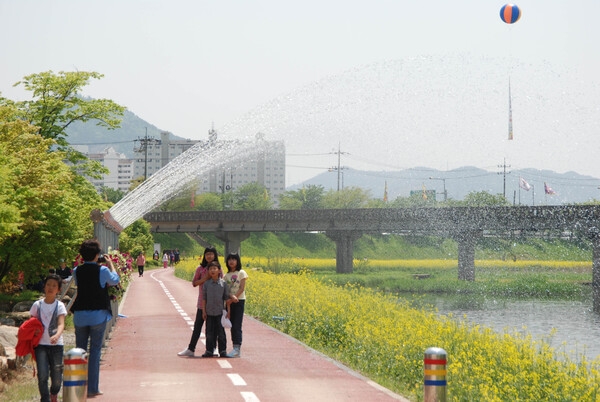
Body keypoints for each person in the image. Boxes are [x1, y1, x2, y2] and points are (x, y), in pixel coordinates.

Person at [71, 239, 120, 398]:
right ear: (97, 254)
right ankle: (93, 388)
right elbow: (115, 280)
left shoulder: (76, 270)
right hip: (97, 315)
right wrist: (110, 263)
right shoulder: (103, 270)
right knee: (95, 352)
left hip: (80, 315)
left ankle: (78, 388)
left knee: (80, 352)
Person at [29, 274, 68, 402]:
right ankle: (45, 399)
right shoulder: (37, 305)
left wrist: (57, 335)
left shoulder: (60, 306)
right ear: (44, 287)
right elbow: (31, 322)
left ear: (58, 289)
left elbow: (61, 323)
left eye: (54, 286)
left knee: (57, 376)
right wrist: (33, 331)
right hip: (41, 345)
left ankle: (54, 393)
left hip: (56, 346)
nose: (50, 288)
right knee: (43, 375)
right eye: (48, 285)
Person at [177, 247, 219, 357]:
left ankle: (213, 348)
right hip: (202, 303)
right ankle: (191, 349)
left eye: (211, 254)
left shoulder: (218, 269)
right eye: (207, 254)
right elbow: (194, 283)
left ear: (215, 255)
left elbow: (221, 284)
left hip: (214, 304)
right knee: (197, 326)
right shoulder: (200, 269)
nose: (209, 256)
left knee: (212, 327)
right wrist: (206, 278)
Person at [201, 260, 231, 358]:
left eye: (215, 268)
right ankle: (209, 350)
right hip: (209, 312)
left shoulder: (223, 284)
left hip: (219, 312)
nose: (212, 270)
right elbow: (204, 299)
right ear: (208, 271)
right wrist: (203, 311)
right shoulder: (206, 284)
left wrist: (228, 311)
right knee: (209, 332)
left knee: (221, 333)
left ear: (219, 271)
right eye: (210, 269)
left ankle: (223, 351)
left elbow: (226, 298)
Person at [224, 253, 248, 358]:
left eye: (234, 259)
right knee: (232, 326)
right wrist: (230, 298)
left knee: (237, 325)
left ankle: (237, 348)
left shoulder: (241, 273)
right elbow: (226, 291)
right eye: (229, 259)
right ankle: (234, 347)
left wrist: (234, 297)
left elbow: (242, 288)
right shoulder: (226, 276)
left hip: (239, 301)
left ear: (237, 261)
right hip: (229, 302)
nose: (231, 261)